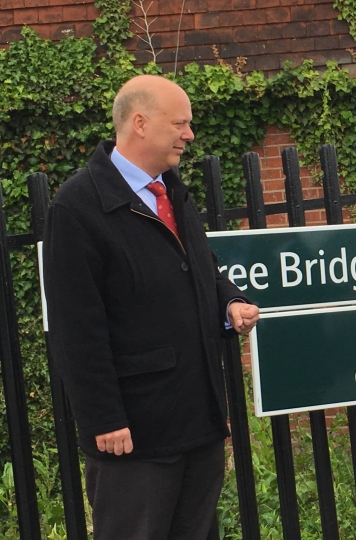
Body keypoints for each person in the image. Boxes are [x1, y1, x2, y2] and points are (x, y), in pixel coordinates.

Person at [43, 74, 260, 539]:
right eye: (180, 123)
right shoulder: (77, 208)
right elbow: (75, 328)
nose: (190, 134)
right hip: (134, 437)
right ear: (139, 123)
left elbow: (202, 267)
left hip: (196, 421)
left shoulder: (173, 192)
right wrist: (104, 418)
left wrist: (229, 304)